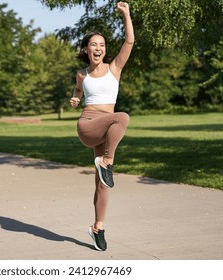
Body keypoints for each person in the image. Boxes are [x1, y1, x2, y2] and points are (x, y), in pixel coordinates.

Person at [69, 1, 134, 252]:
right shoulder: (82, 74)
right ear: (86, 49)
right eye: (93, 44)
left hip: (106, 129)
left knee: (103, 184)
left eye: (102, 45)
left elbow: (128, 42)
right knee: (123, 117)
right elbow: (78, 92)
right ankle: (107, 161)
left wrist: (126, 14)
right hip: (88, 126)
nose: (98, 48)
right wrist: (76, 99)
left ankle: (98, 228)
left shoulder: (114, 68)